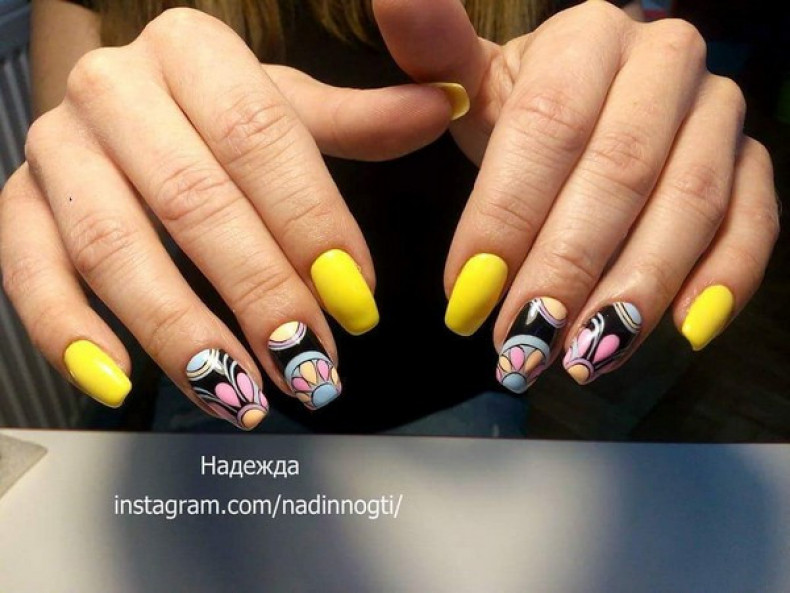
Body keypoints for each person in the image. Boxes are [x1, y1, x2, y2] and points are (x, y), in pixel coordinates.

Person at [0, 0, 779, 434]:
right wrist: (89, 145)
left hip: (465, 384)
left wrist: (647, 109)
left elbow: (625, 53)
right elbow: (81, 170)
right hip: (227, 387)